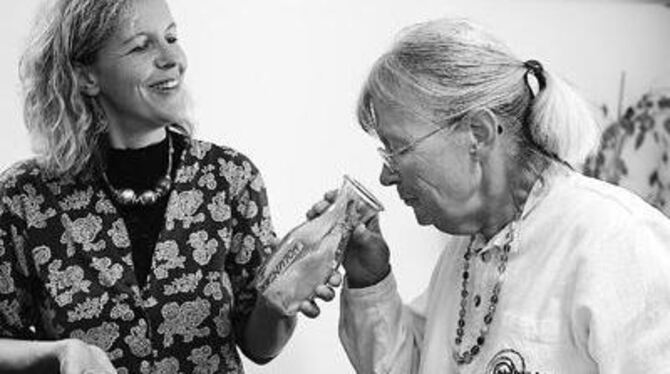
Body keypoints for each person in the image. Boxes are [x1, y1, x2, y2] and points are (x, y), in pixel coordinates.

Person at [308, 18, 670, 373]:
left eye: (398, 149)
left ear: (477, 134)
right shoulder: (467, 248)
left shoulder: (617, 241)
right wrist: (369, 276)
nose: (386, 175)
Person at [0, 0, 336, 373]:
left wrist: (279, 301)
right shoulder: (23, 198)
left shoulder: (231, 178)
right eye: (142, 45)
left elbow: (260, 347)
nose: (172, 58)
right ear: (86, 77)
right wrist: (58, 352)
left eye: (171, 37)